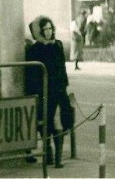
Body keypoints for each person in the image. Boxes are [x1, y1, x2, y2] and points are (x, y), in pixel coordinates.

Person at [25, 16, 73, 169]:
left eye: (50, 28)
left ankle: (57, 158)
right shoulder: (35, 49)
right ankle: (49, 153)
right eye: (44, 29)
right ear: (39, 31)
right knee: (44, 122)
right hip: (43, 91)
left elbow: (62, 68)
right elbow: (32, 74)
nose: (48, 32)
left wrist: (65, 85)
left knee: (60, 122)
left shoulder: (57, 45)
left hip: (58, 90)